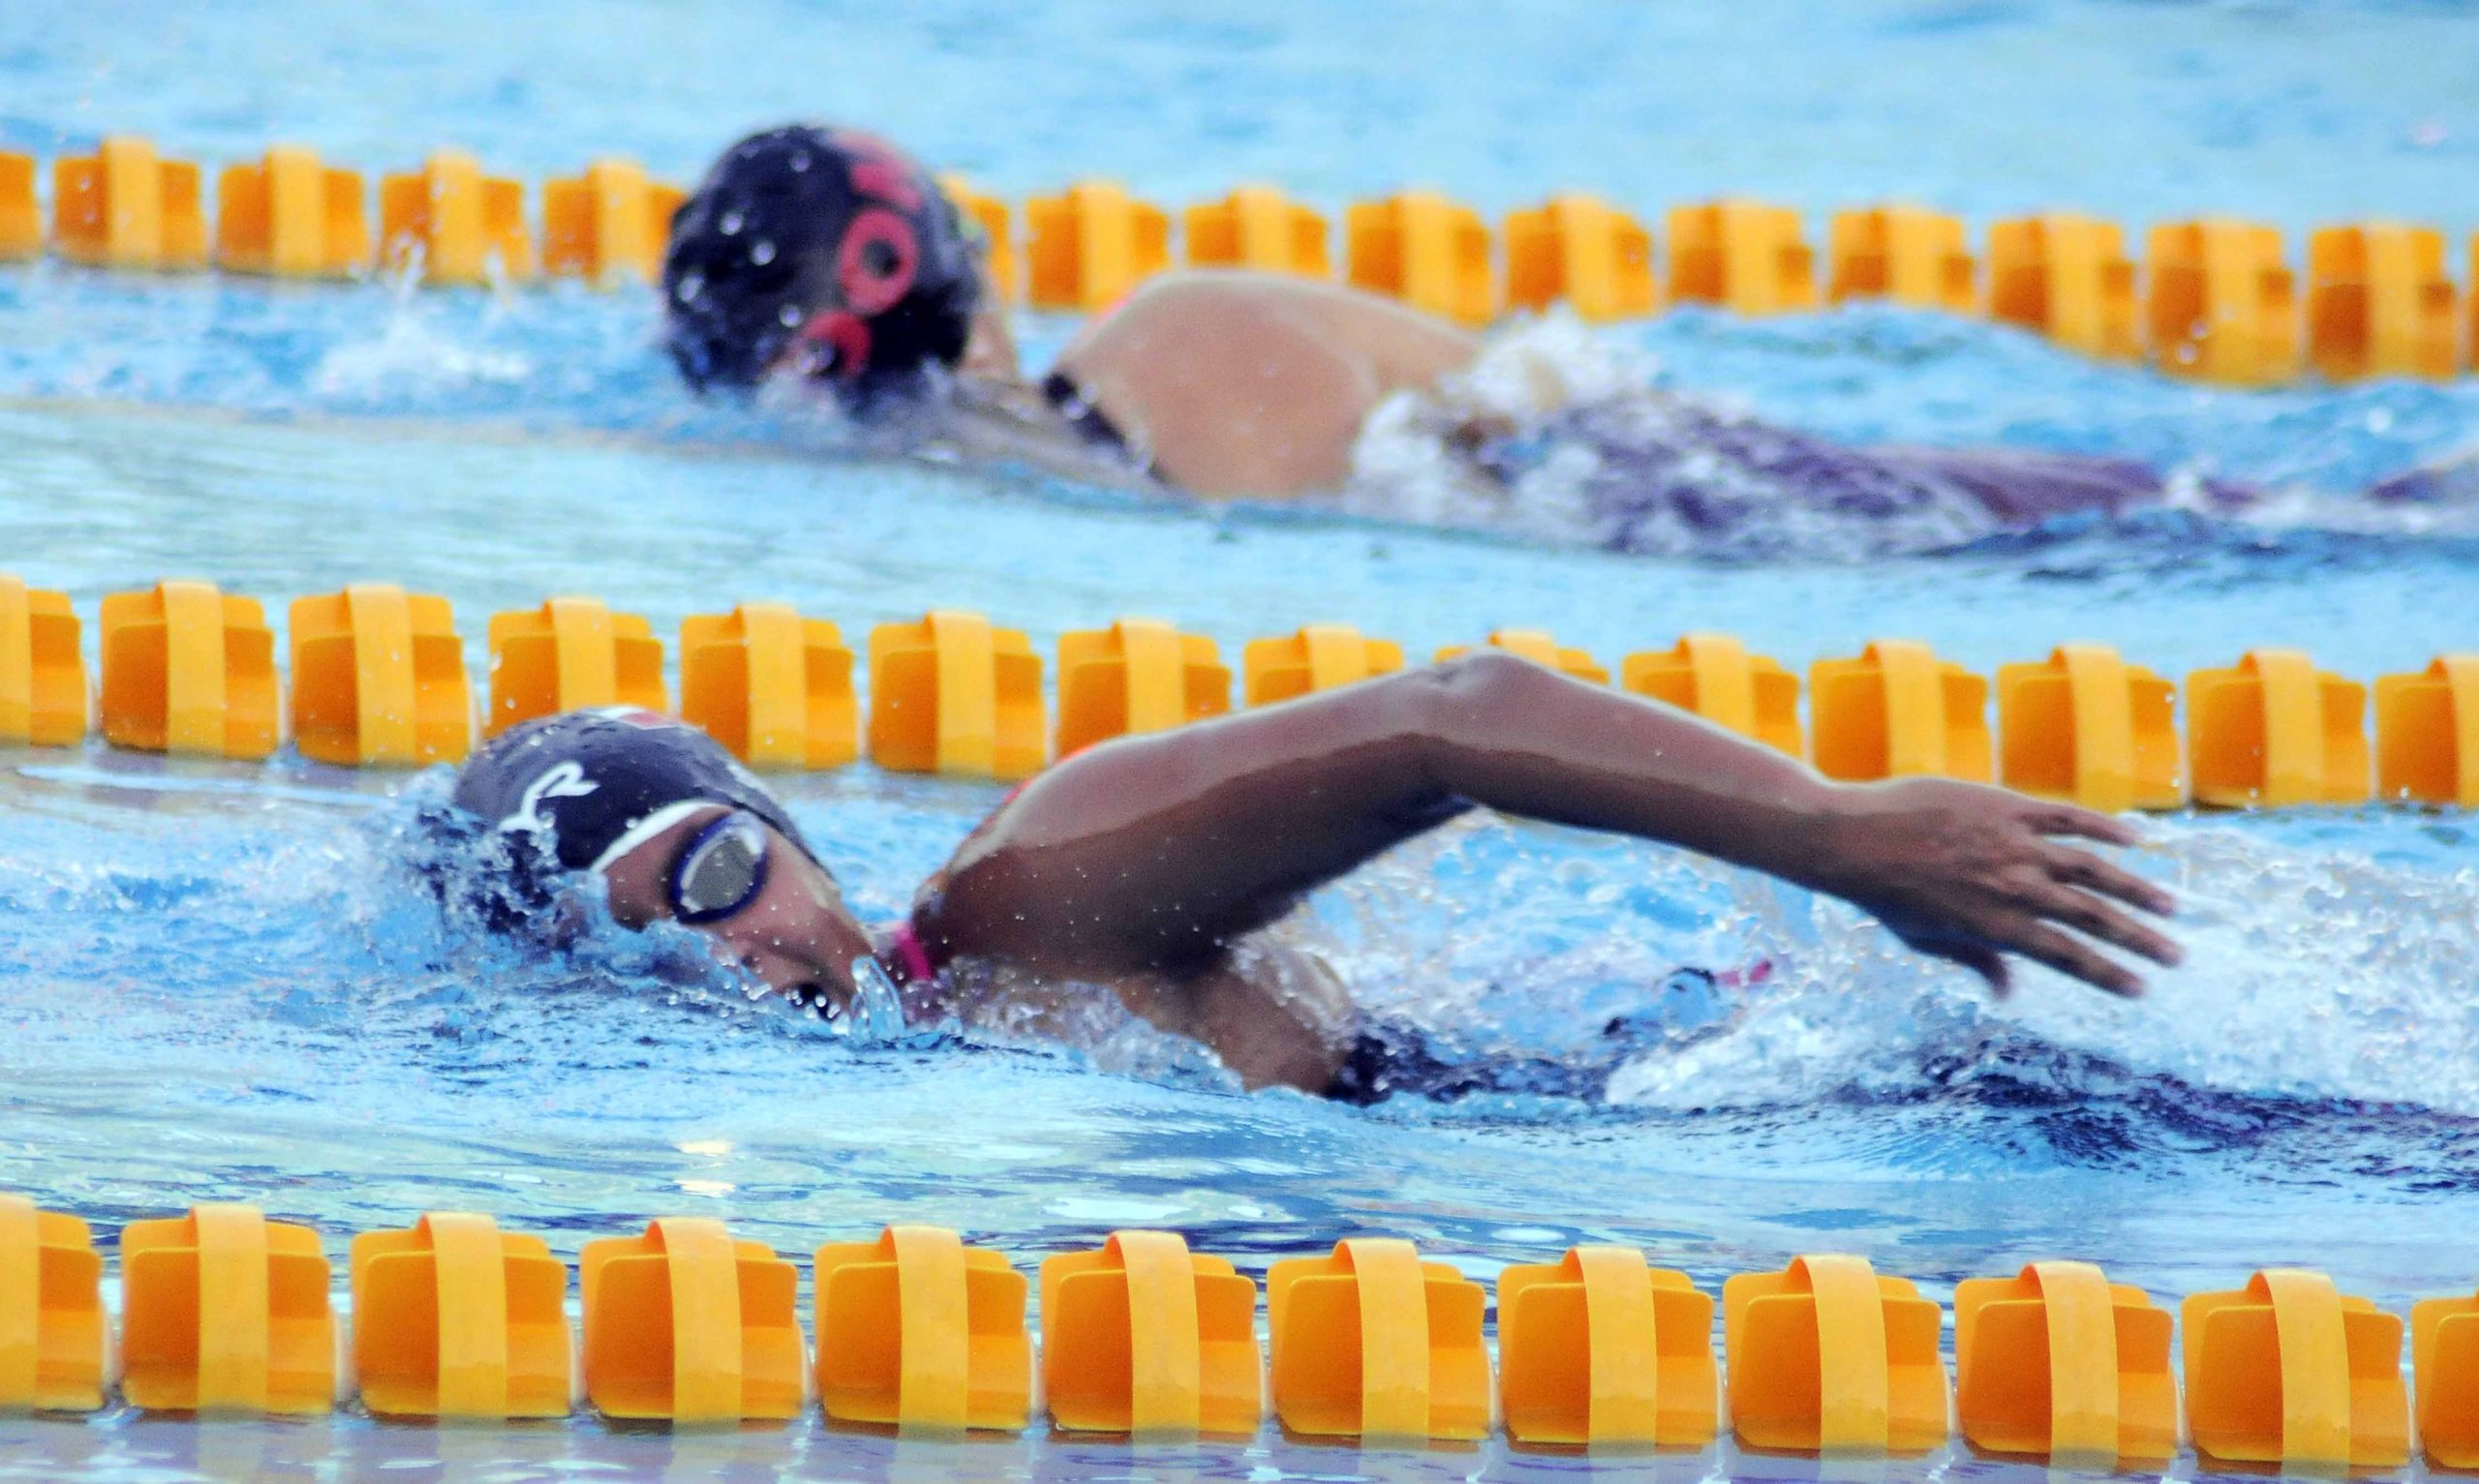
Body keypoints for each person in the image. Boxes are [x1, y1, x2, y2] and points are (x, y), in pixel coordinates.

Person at [443, 653, 2181, 1103]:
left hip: (1709, 1086)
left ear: (799, 831)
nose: (738, 950)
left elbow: (1453, 719)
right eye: (655, 946)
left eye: (726, 867)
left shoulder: (1029, 898)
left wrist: (1837, 832)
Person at [658, 123, 2256, 544]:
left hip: (1655, 493)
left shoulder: (1148, 378)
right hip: (1691, 485)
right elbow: (1540, 405)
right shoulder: (1191, 330)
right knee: (2227, 516)